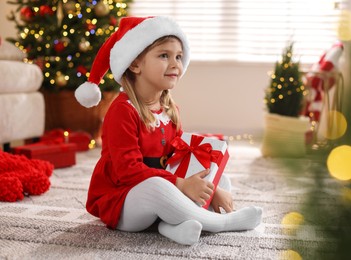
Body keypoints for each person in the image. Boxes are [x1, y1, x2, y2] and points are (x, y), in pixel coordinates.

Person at [75, 16, 262, 245]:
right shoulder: (122, 111)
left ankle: (171, 227)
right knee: (157, 187)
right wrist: (181, 185)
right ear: (135, 64)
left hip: (161, 190)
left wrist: (209, 188)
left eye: (179, 57)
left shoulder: (169, 109)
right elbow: (129, 171)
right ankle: (223, 223)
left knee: (218, 178)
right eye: (164, 55)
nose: (176, 64)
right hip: (123, 199)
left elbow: (177, 159)